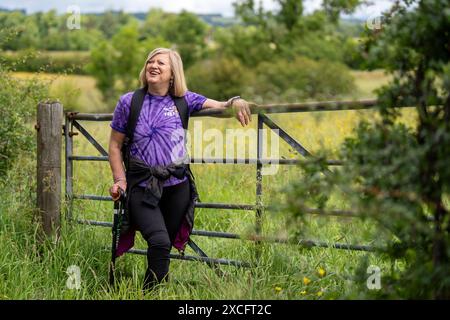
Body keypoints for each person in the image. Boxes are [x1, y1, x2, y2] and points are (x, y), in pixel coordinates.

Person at [108, 47, 251, 291]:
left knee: (162, 245)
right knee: (160, 242)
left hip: (177, 187)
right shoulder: (129, 101)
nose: (153, 65)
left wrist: (237, 100)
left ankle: (150, 287)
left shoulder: (185, 100)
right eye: (150, 62)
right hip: (142, 185)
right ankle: (150, 294)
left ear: (173, 73)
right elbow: (114, 145)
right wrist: (120, 180)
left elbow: (221, 104)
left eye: (160, 63)